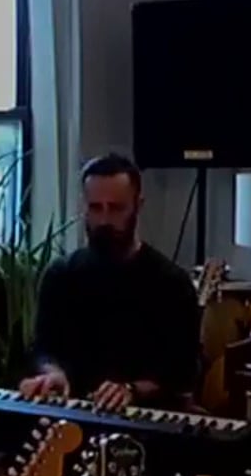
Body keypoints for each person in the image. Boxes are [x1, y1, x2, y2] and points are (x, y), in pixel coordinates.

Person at [19, 154, 200, 412]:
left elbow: (180, 374)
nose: (104, 220)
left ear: (138, 206)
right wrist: (53, 374)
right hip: (70, 413)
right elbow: (43, 348)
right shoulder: (61, 275)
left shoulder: (172, 284)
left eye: (116, 209)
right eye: (95, 208)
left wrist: (130, 390)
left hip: (143, 418)